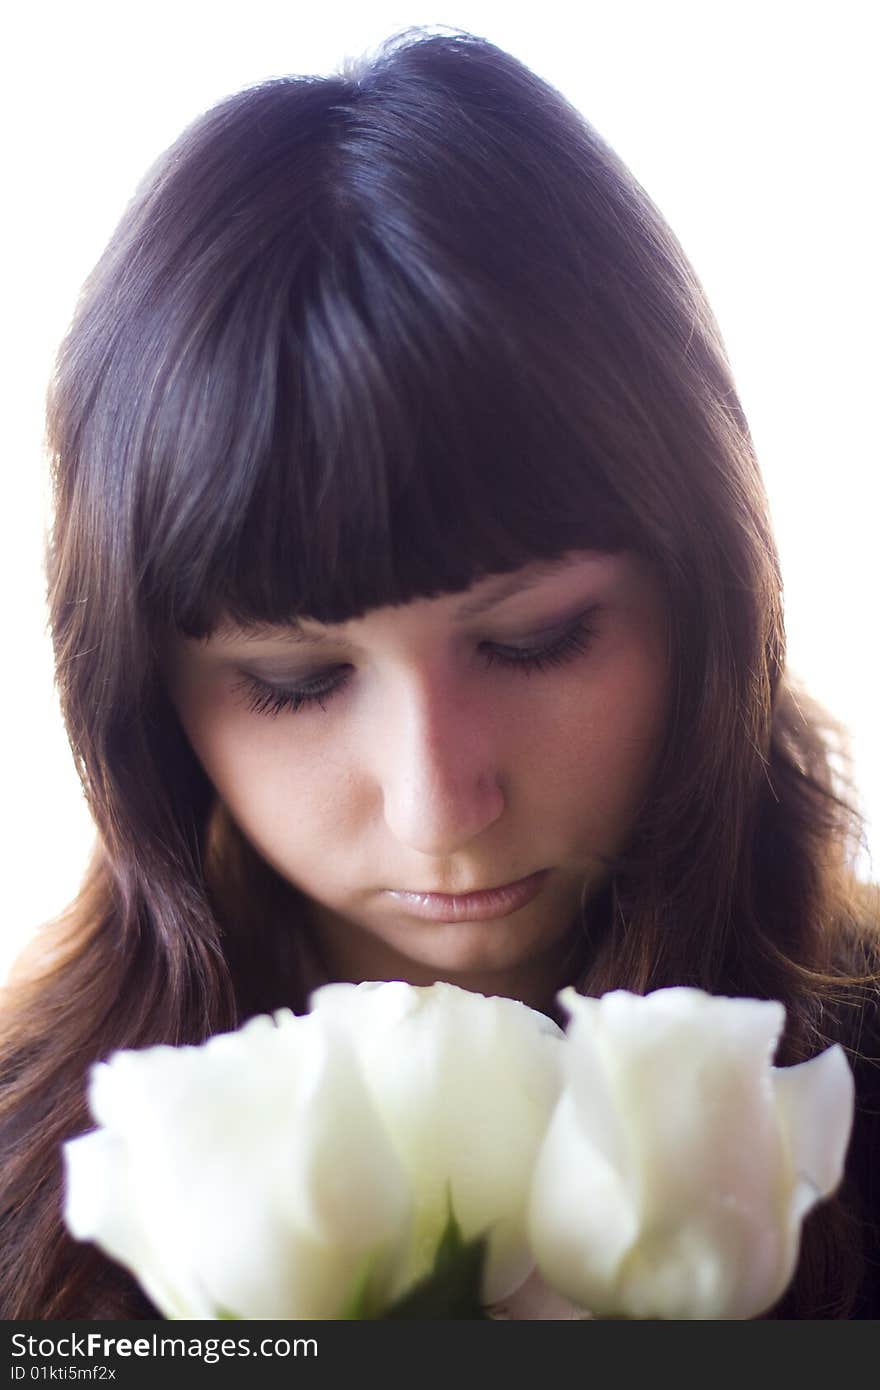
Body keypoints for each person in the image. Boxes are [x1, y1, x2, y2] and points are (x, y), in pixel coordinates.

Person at [0, 28, 877, 1321]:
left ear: (708, 593)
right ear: (140, 697)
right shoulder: (33, 1172)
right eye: (296, 678)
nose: (438, 804)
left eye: (536, 639)